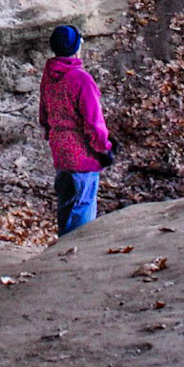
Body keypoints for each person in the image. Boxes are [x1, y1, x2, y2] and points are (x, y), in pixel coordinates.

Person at [38, 24, 115, 236]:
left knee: (65, 206)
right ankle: (74, 259)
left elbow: (44, 114)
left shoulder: (49, 76)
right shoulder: (81, 80)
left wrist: (52, 135)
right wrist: (104, 149)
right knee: (83, 211)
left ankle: (61, 251)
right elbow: (93, 122)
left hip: (60, 151)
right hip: (82, 155)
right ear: (76, 47)